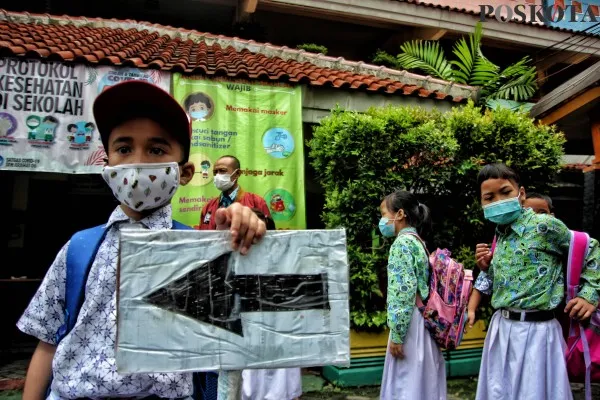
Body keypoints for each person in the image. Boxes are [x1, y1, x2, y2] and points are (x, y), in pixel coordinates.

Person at [17, 80, 266, 400]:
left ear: (185, 172)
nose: (138, 162)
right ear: (106, 165)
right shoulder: (78, 249)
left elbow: (239, 328)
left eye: (157, 149)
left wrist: (240, 240)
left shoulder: (198, 250)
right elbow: (48, 342)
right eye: (123, 148)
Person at [471, 163, 600, 400]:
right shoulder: (500, 235)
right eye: (489, 197)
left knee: (536, 393)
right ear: (482, 204)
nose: (498, 200)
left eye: (505, 192)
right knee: (500, 392)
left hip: (538, 332)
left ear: (520, 194)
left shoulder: (545, 226)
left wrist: (589, 295)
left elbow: (590, 248)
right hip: (502, 329)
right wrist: (485, 268)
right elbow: (494, 282)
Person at [378, 190, 446, 400]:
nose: (382, 220)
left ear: (399, 214)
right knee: (422, 380)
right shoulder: (418, 241)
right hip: (421, 319)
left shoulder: (401, 244)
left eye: (383, 214)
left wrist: (397, 334)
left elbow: (403, 293)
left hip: (409, 325)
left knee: (405, 383)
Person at [467, 190, 556, 328]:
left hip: (541, 326)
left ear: (552, 217)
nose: (535, 218)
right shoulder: (504, 241)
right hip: (505, 324)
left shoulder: (558, 243)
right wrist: (471, 309)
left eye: (542, 213)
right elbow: (487, 278)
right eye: (529, 212)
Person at [241, 208, 303, 400]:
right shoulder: (239, 256)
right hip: (250, 332)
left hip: (279, 330)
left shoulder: (284, 258)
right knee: (251, 382)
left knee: (283, 378)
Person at [199, 155, 270, 230]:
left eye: (222, 171)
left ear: (237, 173)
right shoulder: (208, 207)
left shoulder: (256, 202)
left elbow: (270, 236)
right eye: (215, 172)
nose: (217, 175)